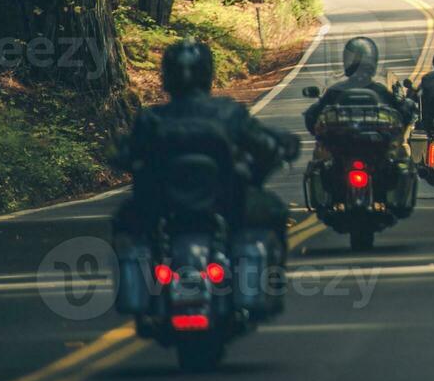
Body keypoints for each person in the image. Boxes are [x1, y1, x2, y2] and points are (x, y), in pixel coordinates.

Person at [115, 40, 300, 247]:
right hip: (222, 203)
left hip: (163, 207)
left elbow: (125, 153)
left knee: (126, 222)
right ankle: (269, 276)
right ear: (207, 73)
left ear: (166, 76)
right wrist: (281, 146)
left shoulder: (151, 119)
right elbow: (262, 144)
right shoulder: (228, 112)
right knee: (272, 211)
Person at [303, 37, 415, 133]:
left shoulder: (335, 91)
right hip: (372, 150)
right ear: (373, 63)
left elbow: (312, 117)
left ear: (346, 62)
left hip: (343, 150)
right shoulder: (380, 91)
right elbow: (403, 115)